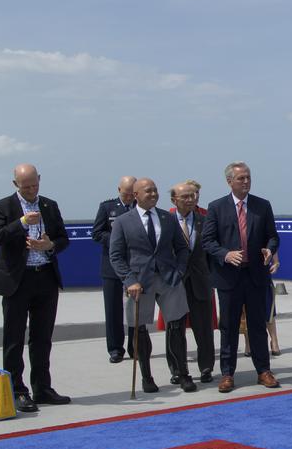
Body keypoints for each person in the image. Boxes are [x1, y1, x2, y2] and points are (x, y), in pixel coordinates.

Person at [0, 163, 71, 412]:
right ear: (16, 185)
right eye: (26, 186)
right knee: (14, 338)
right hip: (17, 280)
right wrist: (21, 223)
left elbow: (64, 238)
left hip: (45, 277)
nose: (32, 190)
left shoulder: (49, 205)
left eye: (35, 185)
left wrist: (49, 245)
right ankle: (17, 390)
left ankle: (42, 387)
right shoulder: (3, 206)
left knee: (42, 338)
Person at [202, 161, 282, 393]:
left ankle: (263, 371)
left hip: (256, 275)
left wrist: (269, 248)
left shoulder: (262, 205)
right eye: (241, 179)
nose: (246, 182)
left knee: (258, 324)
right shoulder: (216, 207)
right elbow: (208, 242)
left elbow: (273, 236)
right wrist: (225, 254)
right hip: (229, 277)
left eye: (248, 177)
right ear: (229, 181)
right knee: (229, 327)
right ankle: (227, 373)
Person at [110, 178, 193, 393]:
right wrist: (129, 280)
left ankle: (182, 373)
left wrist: (180, 271)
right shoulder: (123, 222)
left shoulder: (167, 218)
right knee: (140, 330)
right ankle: (147, 377)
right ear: (136, 194)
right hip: (139, 283)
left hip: (169, 279)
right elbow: (116, 256)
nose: (154, 194)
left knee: (176, 327)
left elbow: (182, 248)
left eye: (155, 190)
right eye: (148, 191)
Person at [169, 180, 216, 384]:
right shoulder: (166, 222)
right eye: (185, 196)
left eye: (193, 196)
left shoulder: (204, 220)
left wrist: (212, 278)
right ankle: (178, 369)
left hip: (201, 281)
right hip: (175, 284)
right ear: (174, 199)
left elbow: (213, 252)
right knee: (175, 328)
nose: (190, 200)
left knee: (204, 327)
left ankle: (206, 367)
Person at [92, 176, 136, 363]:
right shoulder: (107, 207)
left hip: (134, 265)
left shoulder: (140, 208)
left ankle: (136, 347)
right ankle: (115, 349)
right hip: (111, 265)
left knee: (135, 308)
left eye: (132, 194)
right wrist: (117, 241)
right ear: (119, 190)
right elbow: (97, 233)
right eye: (125, 194)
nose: (128, 198)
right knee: (113, 308)